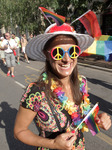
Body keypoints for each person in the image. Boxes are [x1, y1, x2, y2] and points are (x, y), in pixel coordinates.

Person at [14, 23, 111, 150]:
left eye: (73, 51)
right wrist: (52, 144)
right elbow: (19, 131)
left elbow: (81, 119)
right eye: (58, 53)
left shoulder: (82, 83)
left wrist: (98, 120)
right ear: (47, 55)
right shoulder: (36, 91)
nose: (67, 59)